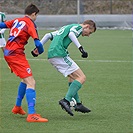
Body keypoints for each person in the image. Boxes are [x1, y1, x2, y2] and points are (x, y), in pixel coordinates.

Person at [32, 20, 96, 116]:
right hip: (59, 54)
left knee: (73, 77)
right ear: (86, 26)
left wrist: (37, 48)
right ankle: (66, 100)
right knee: (82, 77)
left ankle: (78, 104)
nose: (88, 35)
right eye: (89, 32)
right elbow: (71, 34)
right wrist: (81, 49)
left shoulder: (66, 27)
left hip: (53, 55)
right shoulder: (78, 27)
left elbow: (48, 35)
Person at [0, 4, 48, 122]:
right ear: (33, 14)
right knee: (31, 82)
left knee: (24, 80)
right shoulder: (30, 23)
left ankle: (17, 107)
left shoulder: (17, 20)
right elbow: (38, 43)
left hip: (8, 52)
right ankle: (32, 115)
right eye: (36, 15)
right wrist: (40, 51)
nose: (36, 18)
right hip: (16, 54)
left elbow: (2, 25)